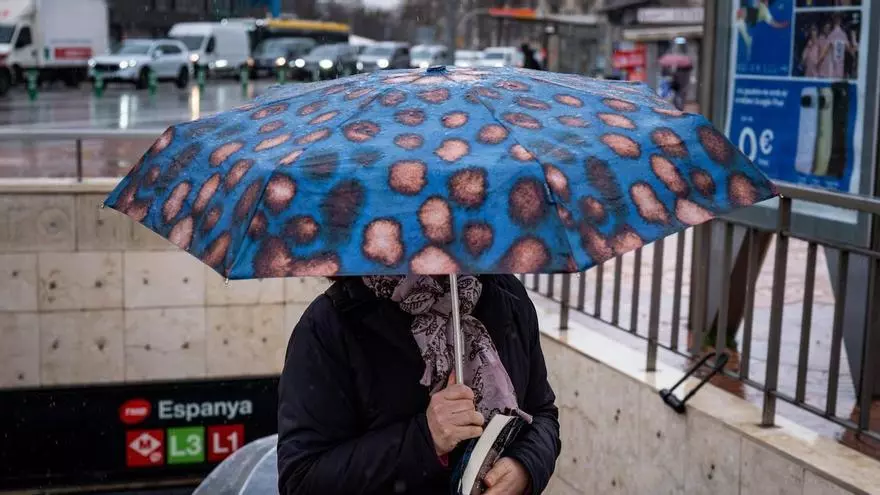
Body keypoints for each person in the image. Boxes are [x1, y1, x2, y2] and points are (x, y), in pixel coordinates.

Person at [277, 275, 561, 495]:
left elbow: (542, 412)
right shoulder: (331, 325)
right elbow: (302, 480)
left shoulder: (506, 296)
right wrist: (425, 438)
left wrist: (524, 468)